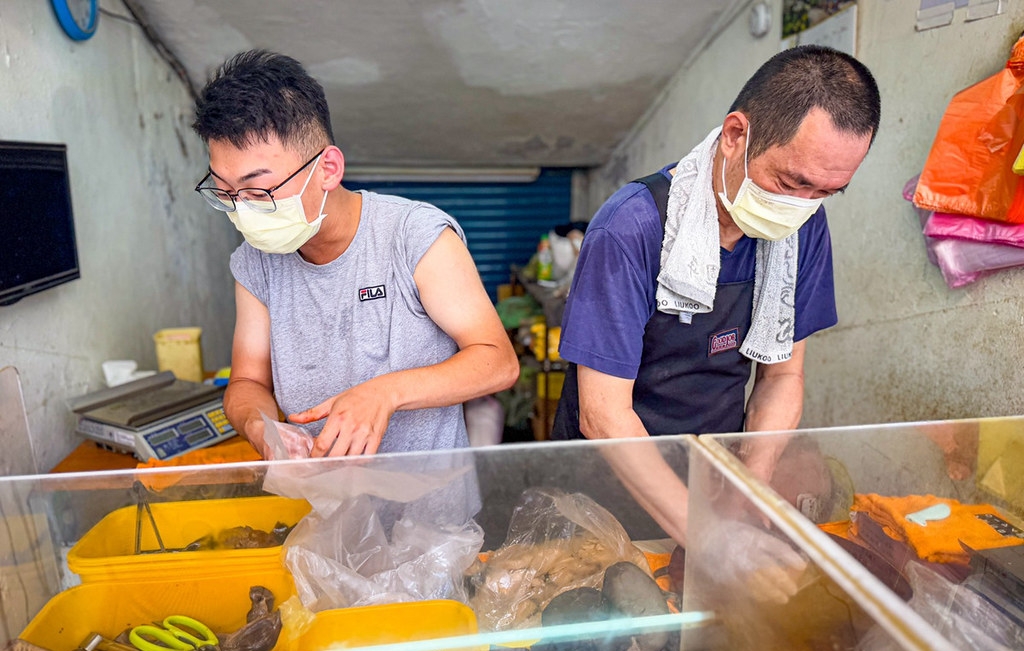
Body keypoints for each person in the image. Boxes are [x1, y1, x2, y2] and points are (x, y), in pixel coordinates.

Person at [551, 45, 881, 550]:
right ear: (735, 136)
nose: (801, 207)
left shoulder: (803, 229)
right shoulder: (632, 228)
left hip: (712, 479)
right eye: (790, 182)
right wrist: (707, 539)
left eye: (825, 193)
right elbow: (603, 415)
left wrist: (749, 486)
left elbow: (782, 376)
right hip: (603, 491)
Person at [190, 50, 519, 458]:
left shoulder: (413, 236)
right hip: (320, 493)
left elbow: (498, 362)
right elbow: (247, 383)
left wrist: (385, 394)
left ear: (327, 169)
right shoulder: (256, 261)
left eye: (259, 191)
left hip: (429, 495)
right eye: (225, 192)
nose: (242, 210)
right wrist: (261, 427)